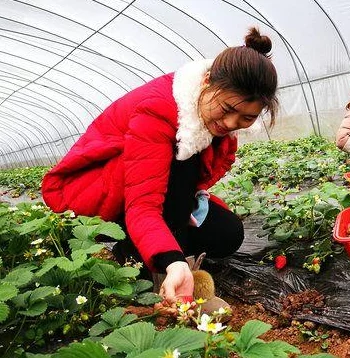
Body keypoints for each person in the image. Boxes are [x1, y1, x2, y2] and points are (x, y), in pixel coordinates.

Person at [41, 27, 278, 305]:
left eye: (246, 118)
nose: (230, 123)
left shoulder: (212, 119)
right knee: (180, 171)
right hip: (94, 197)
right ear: (206, 82)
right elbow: (144, 204)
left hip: (147, 191)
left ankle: (137, 250)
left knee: (227, 233)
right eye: (226, 109)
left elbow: (191, 185)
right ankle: (165, 271)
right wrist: (173, 260)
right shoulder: (157, 111)